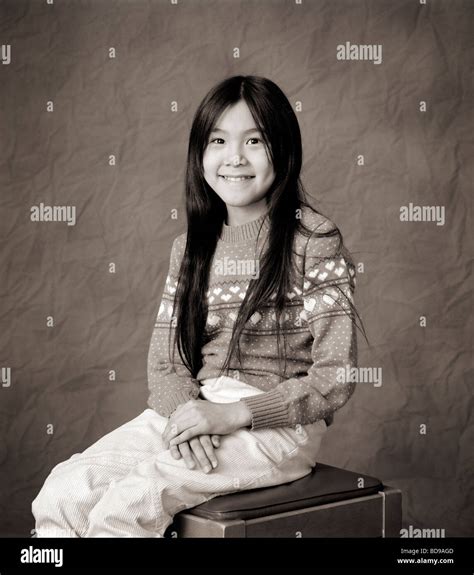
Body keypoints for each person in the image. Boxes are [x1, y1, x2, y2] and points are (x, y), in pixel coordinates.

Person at [32, 75, 362, 538]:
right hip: (195, 410)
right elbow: (165, 363)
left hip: (276, 426)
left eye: (254, 141)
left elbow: (335, 376)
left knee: (130, 503)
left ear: (283, 149)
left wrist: (233, 415)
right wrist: (196, 420)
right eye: (219, 141)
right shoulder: (190, 248)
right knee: (65, 489)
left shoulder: (314, 240)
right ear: (200, 155)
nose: (235, 157)